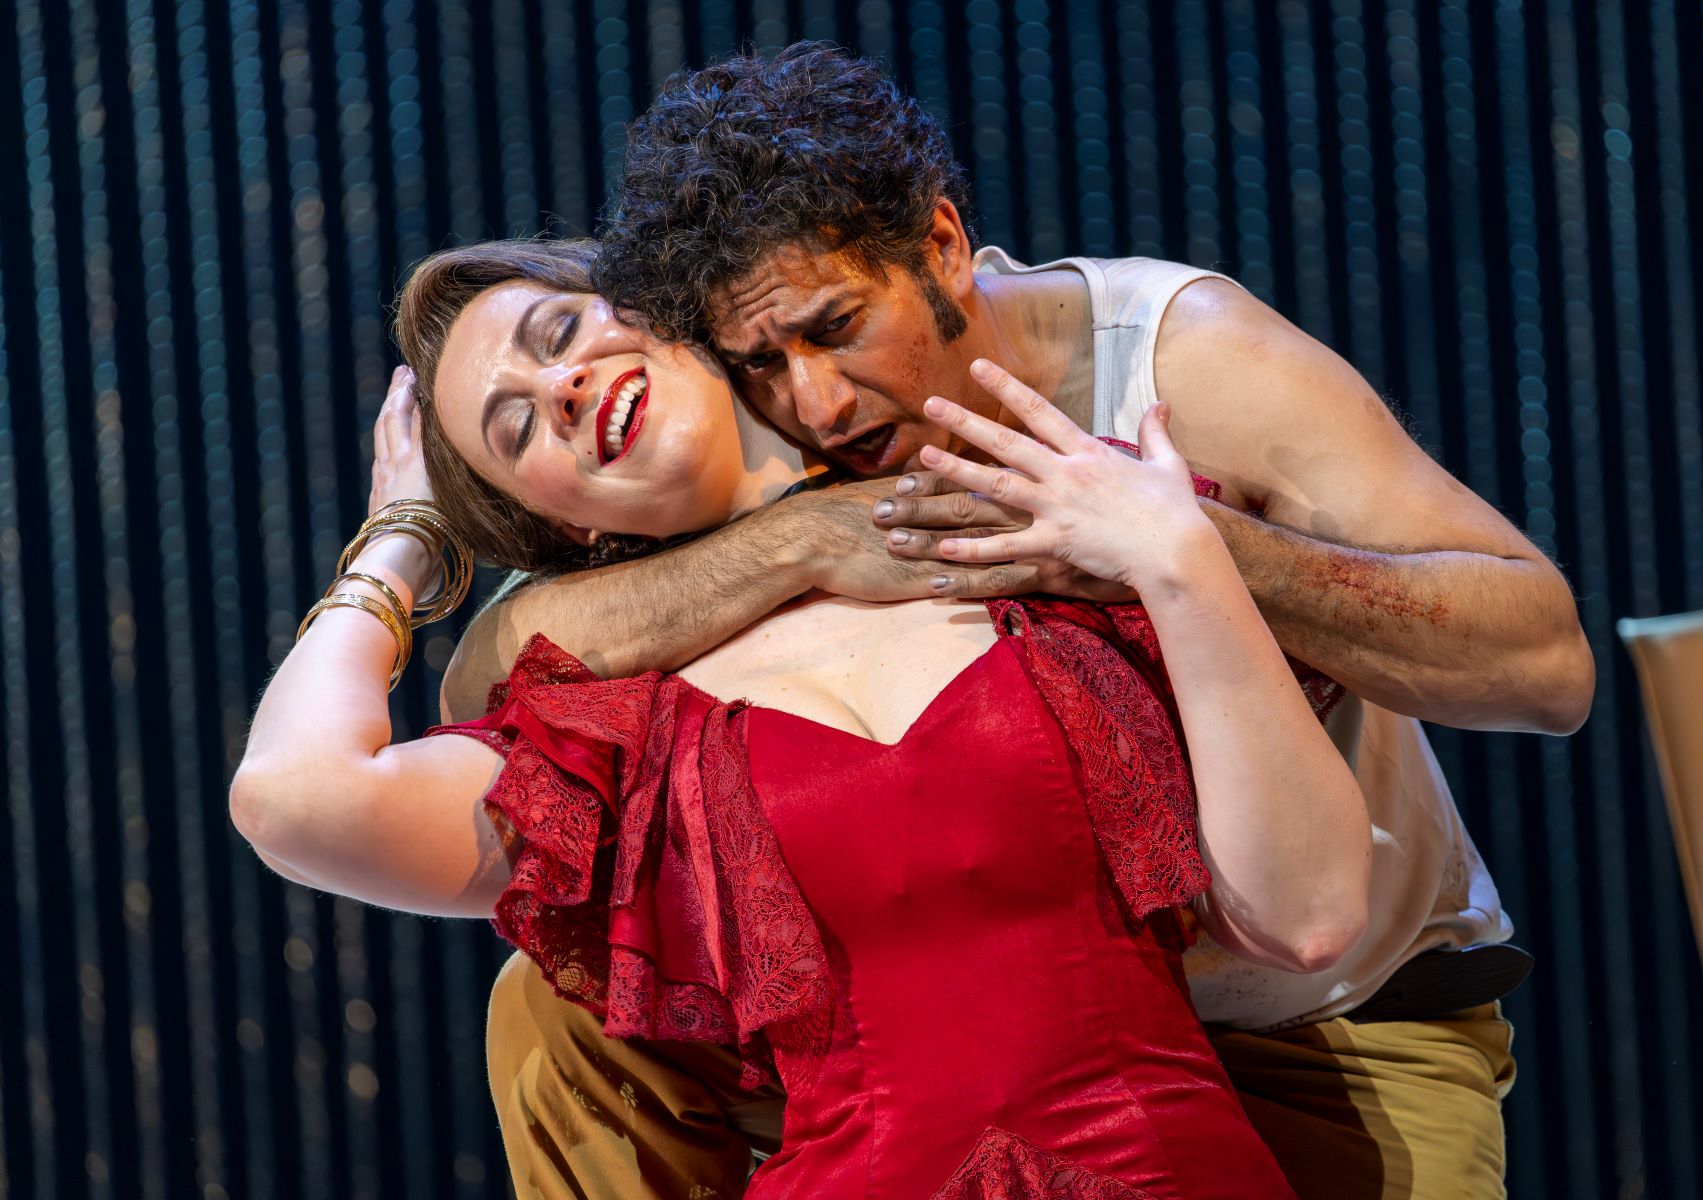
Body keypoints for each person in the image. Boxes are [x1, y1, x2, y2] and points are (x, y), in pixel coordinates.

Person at [449, 43, 1594, 1200]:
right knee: (550, 1013)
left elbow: (1545, 666)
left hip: (1324, 1023)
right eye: (764, 362)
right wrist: (792, 540)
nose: (818, 400)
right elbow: (490, 684)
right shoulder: (782, 414)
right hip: (980, 1036)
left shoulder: (1175, 361)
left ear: (941, 245)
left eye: (839, 326)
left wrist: (1171, 545)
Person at [231, 236, 1376, 1196]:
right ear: (558, 525)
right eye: (517, 430)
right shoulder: (613, 739)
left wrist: (1180, 559)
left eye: (561, 333)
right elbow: (295, 795)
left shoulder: (1027, 523)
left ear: (659, 305)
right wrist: (405, 539)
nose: (564, 388)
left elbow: (1311, 915)